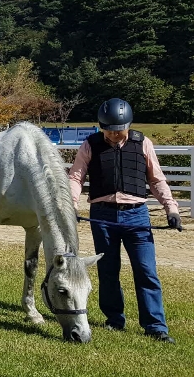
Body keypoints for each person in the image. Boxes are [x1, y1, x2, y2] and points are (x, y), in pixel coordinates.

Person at [67, 97, 182, 343]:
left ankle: (155, 326)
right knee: (108, 271)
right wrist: (72, 204)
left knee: (146, 271)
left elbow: (156, 179)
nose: (113, 135)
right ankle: (114, 320)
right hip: (103, 216)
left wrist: (171, 209)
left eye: (118, 130)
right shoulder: (90, 144)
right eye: (107, 130)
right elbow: (76, 177)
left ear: (128, 125)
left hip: (137, 215)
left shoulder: (143, 143)